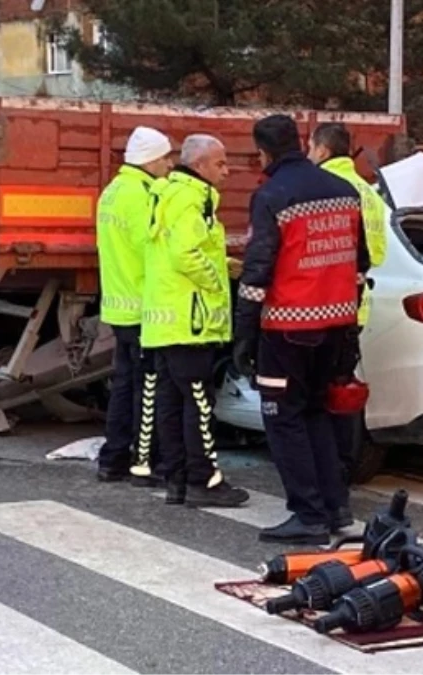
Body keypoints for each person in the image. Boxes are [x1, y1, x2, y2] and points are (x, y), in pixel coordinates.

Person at [233, 114, 369, 545]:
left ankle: (308, 514)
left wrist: (244, 336)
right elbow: (361, 261)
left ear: (263, 152)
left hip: (287, 327)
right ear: (301, 143)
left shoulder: (271, 195)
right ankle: (336, 509)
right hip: (339, 324)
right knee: (318, 415)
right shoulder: (344, 191)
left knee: (283, 419)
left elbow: (257, 272)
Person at [141, 134, 249, 509]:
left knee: (172, 403)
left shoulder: (167, 193)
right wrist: (217, 281)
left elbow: (184, 250)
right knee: (200, 404)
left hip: (165, 318)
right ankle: (204, 480)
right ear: (200, 165)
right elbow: (186, 253)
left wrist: (228, 266)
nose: (227, 170)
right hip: (190, 320)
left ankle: (178, 480)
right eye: (220, 163)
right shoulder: (192, 198)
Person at [307, 122, 386, 497]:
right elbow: (379, 254)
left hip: (322, 304)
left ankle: (328, 472)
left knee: (317, 393)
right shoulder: (368, 193)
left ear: (322, 150)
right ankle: (345, 465)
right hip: (358, 305)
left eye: (311, 148)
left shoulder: (320, 189)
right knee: (345, 390)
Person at [95, 126, 173, 485]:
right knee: (147, 390)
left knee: (125, 385)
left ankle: (113, 457)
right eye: (166, 158)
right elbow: (153, 247)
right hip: (144, 308)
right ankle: (143, 463)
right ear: (152, 160)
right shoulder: (143, 195)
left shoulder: (112, 191)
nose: (170, 166)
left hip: (118, 305)